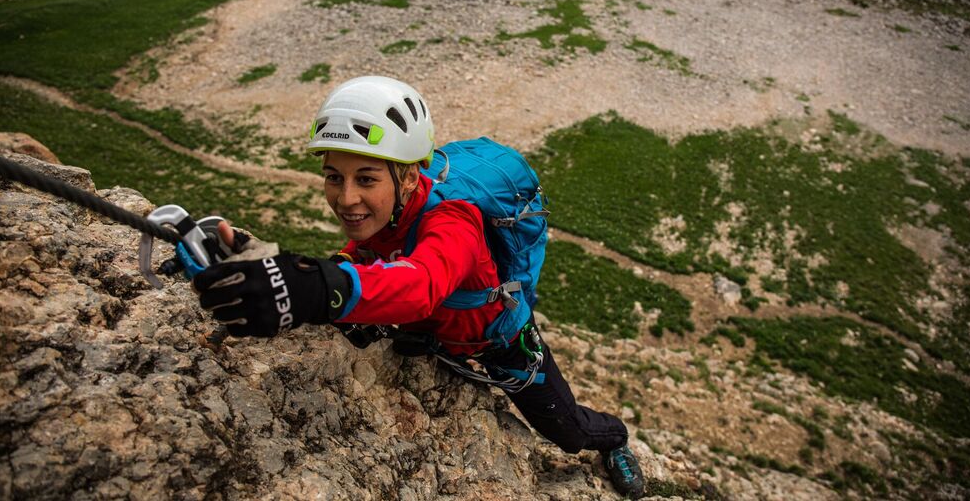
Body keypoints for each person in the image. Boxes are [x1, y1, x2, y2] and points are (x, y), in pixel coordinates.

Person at [193, 76, 646, 499]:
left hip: (500, 341)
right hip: (430, 329)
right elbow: (360, 259)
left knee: (568, 433)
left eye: (366, 179)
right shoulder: (385, 215)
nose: (346, 199)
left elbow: (421, 283)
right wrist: (262, 265)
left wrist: (318, 289)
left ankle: (614, 439)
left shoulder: (455, 223)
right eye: (335, 177)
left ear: (409, 177)